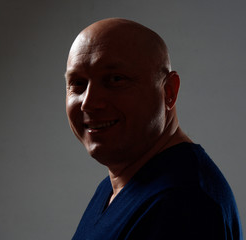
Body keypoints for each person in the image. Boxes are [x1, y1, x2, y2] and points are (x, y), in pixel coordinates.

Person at [65, 18, 242, 240]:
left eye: (115, 79)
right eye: (78, 84)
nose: (89, 102)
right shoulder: (117, 186)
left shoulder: (183, 203)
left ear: (168, 91)